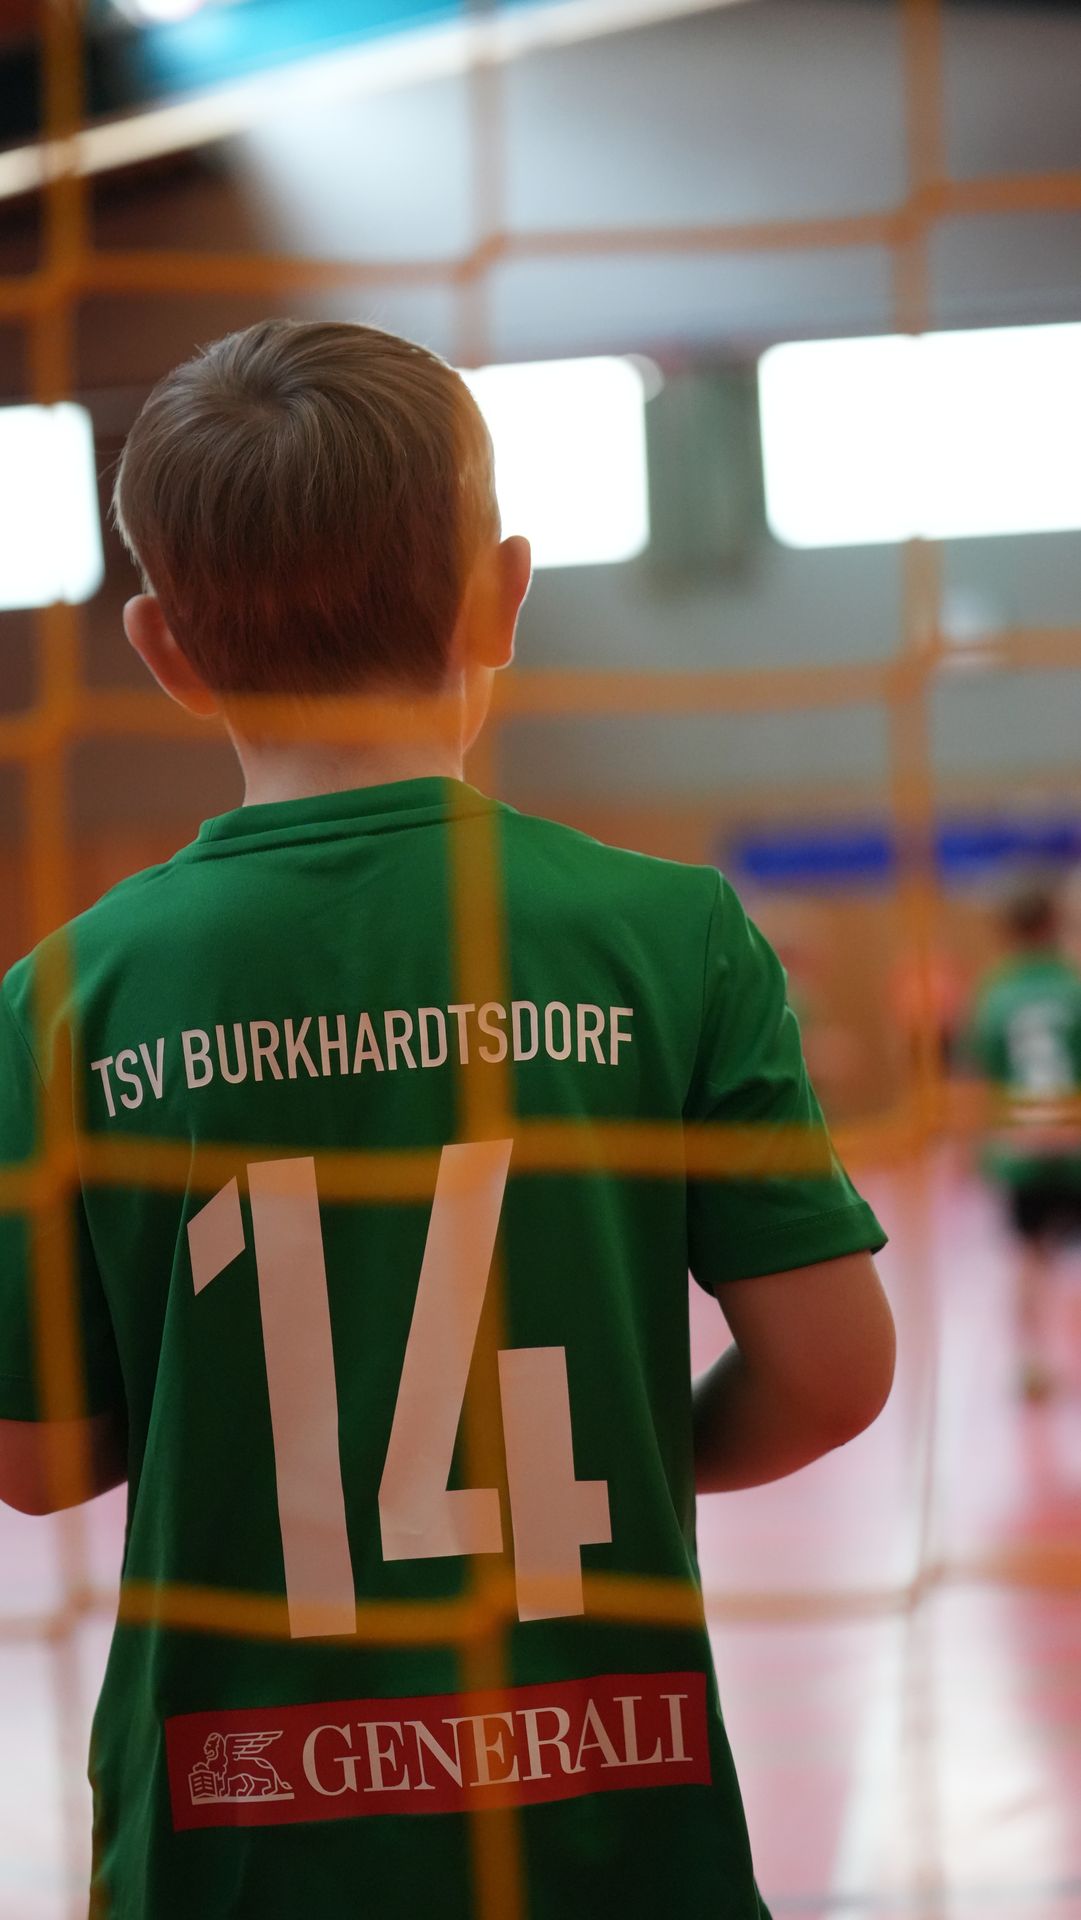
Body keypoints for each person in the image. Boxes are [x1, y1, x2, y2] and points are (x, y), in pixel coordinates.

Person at [0, 321, 894, 1920]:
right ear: (503, 595)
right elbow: (833, 1376)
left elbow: (39, 1458)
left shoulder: (65, 999)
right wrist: (608, 1460)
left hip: (239, 1830)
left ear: (162, 647)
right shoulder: (669, 936)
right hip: (605, 1821)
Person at [961, 878, 1081, 1400]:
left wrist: (972, 1149)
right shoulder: (1073, 987)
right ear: (1055, 924)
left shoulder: (996, 996)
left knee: (1029, 1256)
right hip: (1075, 1140)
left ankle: (1032, 1363)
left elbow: (976, 1076)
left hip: (1022, 1146)